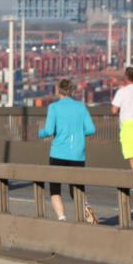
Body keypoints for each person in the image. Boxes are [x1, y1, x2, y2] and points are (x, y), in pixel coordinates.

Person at [38, 79, 97, 222]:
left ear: (59, 90)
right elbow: (91, 129)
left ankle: (62, 218)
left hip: (58, 153)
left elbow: (49, 131)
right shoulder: (81, 107)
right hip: (77, 154)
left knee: (55, 189)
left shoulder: (53, 107)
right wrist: (78, 134)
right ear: (72, 91)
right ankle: (87, 210)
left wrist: (40, 133)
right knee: (77, 188)